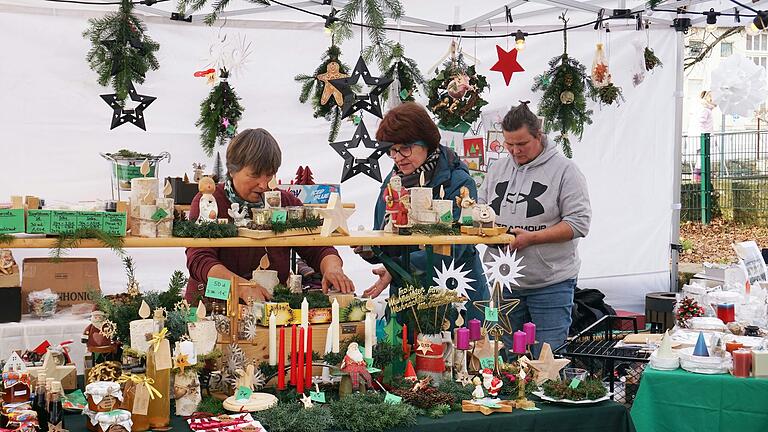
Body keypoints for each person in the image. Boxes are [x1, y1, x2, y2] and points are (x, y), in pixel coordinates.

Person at [185, 128, 354, 304]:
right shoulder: (209, 202)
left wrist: (333, 268)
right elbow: (199, 260)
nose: (264, 184)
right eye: (255, 175)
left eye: (270, 174)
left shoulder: (285, 202)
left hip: (270, 307)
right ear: (232, 170)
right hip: (213, 307)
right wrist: (241, 287)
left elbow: (317, 247)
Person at [478, 102, 591, 356]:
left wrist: (532, 239)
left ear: (538, 136)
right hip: (502, 283)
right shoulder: (497, 169)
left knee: (547, 359)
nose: (515, 151)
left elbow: (579, 223)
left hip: (550, 283)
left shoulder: (565, 171)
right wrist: (485, 231)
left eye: (522, 144)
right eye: (509, 144)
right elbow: (481, 211)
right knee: (505, 359)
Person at [359, 102, 489, 322]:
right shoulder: (392, 183)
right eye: (392, 150)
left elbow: (455, 246)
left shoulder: (458, 183)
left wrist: (397, 267)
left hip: (455, 294)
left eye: (405, 148)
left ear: (427, 142)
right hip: (406, 297)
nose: (398, 157)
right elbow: (386, 235)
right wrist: (371, 251)